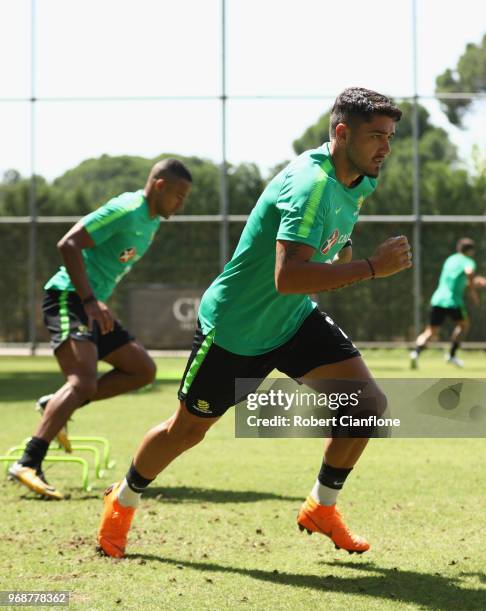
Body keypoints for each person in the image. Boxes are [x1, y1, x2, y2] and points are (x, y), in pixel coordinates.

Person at [97, 87, 411, 558]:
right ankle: (121, 501)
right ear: (342, 133)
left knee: (365, 404)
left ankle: (321, 507)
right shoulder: (310, 186)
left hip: (293, 320)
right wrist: (370, 267)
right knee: (186, 431)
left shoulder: (359, 179)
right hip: (235, 331)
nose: (385, 147)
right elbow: (288, 277)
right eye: (375, 136)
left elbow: (331, 245)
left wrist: (346, 255)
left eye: (389, 136)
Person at [8, 159, 193, 499]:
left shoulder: (151, 221)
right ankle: (28, 462)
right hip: (69, 298)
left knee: (142, 370)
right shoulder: (126, 208)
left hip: (92, 306)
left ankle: (57, 404)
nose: (181, 204)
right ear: (160, 186)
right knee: (82, 382)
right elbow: (69, 244)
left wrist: (96, 302)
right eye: (178, 195)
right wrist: (91, 299)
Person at [410, 238, 482, 369]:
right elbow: (469, 272)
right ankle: (452, 355)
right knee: (464, 325)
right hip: (453, 301)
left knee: (430, 332)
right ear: (470, 251)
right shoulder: (468, 261)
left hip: (437, 299)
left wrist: (472, 282)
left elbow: (456, 279)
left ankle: (415, 353)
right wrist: (472, 291)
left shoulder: (451, 259)